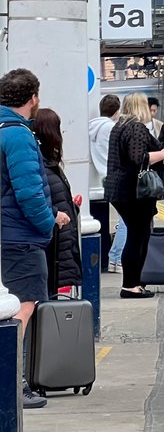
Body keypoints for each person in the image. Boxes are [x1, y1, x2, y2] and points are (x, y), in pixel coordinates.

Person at [0, 68, 57, 409]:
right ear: (32, 98)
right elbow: (29, 193)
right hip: (20, 236)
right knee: (23, 307)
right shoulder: (18, 135)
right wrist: (48, 223)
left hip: (6, 233)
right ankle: (12, 383)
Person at [105, 93, 164, 298]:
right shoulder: (136, 127)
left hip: (121, 190)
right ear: (141, 107)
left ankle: (135, 282)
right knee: (137, 237)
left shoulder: (119, 127)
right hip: (134, 191)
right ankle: (131, 285)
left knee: (138, 235)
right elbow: (138, 159)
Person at [32, 109, 82, 296]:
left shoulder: (45, 164)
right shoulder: (45, 165)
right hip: (53, 245)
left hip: (55, 244)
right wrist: (56, 213)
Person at [88, 93, 120, 268]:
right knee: (123, 220)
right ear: (116, 111)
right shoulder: (111, 128)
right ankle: (113, 258)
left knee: (98, 220)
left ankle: (104, 259)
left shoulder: (90, 126)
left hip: (94, 180)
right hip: (111, 177)